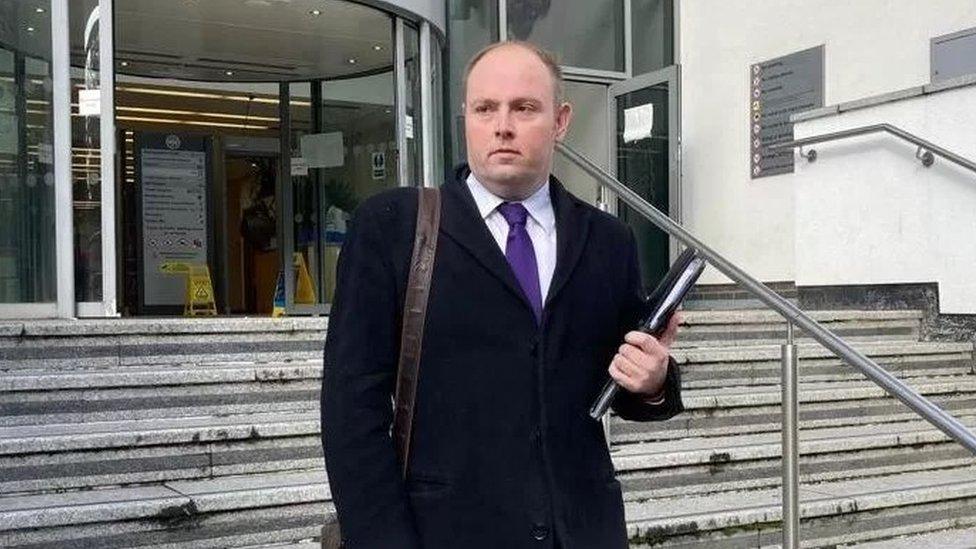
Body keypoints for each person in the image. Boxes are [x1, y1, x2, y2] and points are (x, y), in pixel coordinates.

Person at [321, 40, 683, 549]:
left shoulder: (607, 240)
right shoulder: (392, 228)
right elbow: (350, 409)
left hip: (582, 529)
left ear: (560, 121)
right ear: (464, 117)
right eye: (485, 108)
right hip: (446, 532)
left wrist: (654, 380)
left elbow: (618, 387)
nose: (503, 125)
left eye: (524, 108)